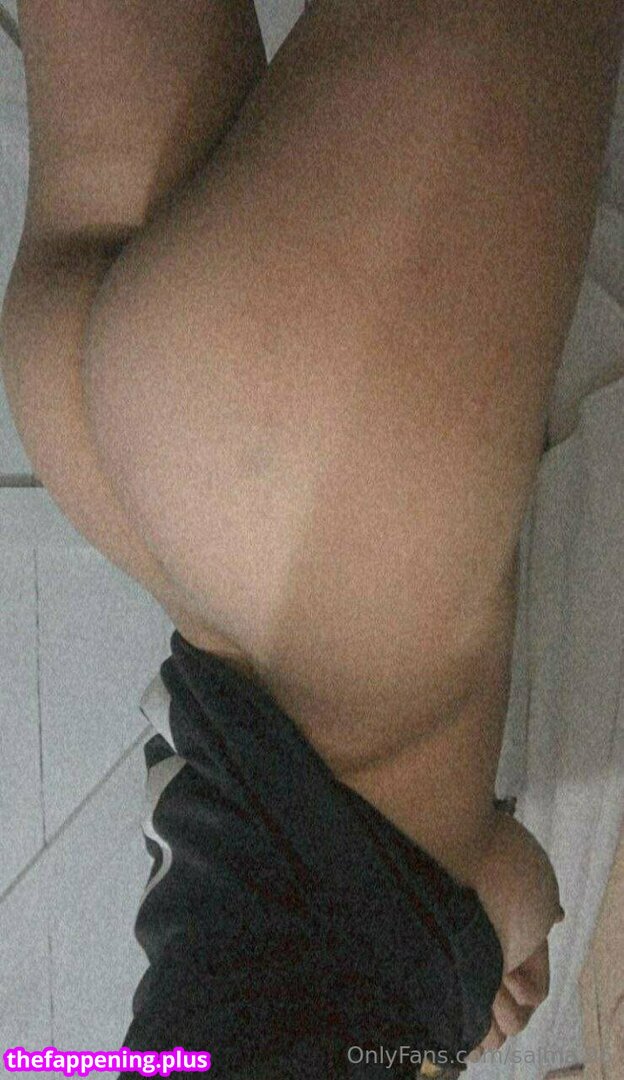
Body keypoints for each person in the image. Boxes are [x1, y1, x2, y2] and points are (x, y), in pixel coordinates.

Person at [2, 1, 621, 1074]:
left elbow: (511, 890)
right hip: (114, 471)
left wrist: (454, 993)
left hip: (309, 482)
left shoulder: (395, 1004)